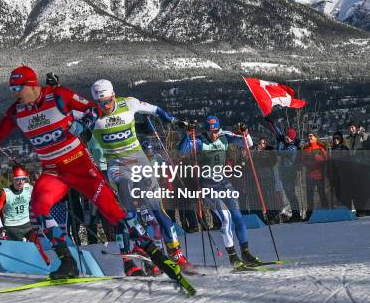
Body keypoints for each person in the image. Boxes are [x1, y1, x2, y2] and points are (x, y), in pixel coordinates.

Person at [0, 66, 184, 283]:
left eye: (18, 87)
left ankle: (154, 253)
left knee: (114, 214)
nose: (15, 93)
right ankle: (67, 261)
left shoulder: (58, 96)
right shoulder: (16, 111)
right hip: (54, 171)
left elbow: (93, 109)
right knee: (39, 206)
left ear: (31, 84)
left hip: (80, 165)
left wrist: (83, 124)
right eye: (12, 88)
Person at [89, 79, 194, 275]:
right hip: (116, 165)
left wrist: (174, 121)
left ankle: (176, 254)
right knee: (128, 209)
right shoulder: (91, 114)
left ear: (113, 96)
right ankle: (136, 254)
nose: (104, 107)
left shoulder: (128, 103)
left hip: (139, 160)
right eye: (99, 104)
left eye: (106, 102)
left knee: (157, 210)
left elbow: (155, 110)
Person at [179, 115, 262, 269]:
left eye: (216, 131)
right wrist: (188, 133)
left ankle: (245, 253)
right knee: (226, 218)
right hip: (208, 187)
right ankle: (233, 257)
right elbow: (181, 151)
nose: (214, 134)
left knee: (238, 217)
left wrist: (245, 132)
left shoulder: (225, 136)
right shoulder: (200, 140)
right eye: (211, 132)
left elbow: (248, 143)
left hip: (224, 183)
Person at [0, 167, 50, 263]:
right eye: (17, 180)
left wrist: (39, 181)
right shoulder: (5, 193)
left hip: (26, 224)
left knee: (36, 243)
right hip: (12, 227)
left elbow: (41, 191)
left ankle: (45, 262)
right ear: (12, 179)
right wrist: (0, 227)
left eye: (23, 179)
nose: (20, 183)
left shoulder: (28, 188)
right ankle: (22, 265)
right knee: (21, 249)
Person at [265, 116, 302, 222]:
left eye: (288, 137)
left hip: (290, 172)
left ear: (292, 138)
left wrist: (280, 143)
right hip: (285, 172)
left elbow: (280, 152)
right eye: (286, 136)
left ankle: (296, 214)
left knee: (291, 193)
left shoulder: (293, 148)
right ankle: (295, 214)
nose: (286, 138)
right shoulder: (288, 143)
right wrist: (272, 123)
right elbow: (279, 133)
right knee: (289, 194)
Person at [301, 132, 328, 219]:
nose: (309, 138)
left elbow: (325, 159)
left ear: (316, 137)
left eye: (311, 136)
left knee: (322, 193)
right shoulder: (305, 148)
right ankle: (309, 214)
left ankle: (326, 211)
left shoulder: (320, 147)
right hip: (309, 175)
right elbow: (302, 161)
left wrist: (316, 157)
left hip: (319, 175)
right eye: (308, 136)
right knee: (309, 195)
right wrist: (310, 163)